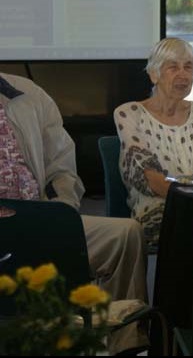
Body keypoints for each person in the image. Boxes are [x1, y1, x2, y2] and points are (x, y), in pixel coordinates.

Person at [0, 72, 148, 355]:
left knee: (126, 234)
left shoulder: (26, 93)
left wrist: (60, 213)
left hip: (37, 219)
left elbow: (60, 167)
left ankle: (123, 345)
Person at [115, 37, 193, 250]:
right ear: (154, 74)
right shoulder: (129, 114)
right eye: (173, 67)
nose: (183, 74)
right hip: (158, 211)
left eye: (188, 67)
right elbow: (152, 180)